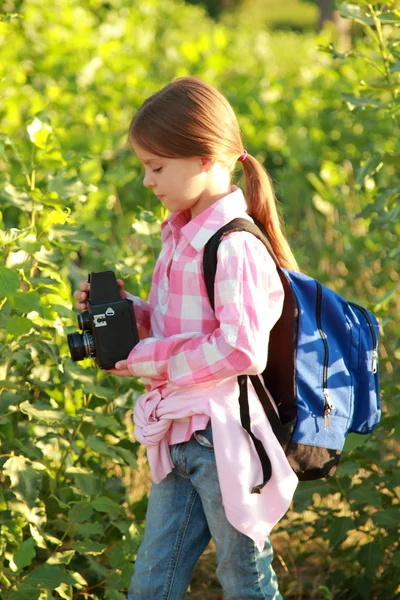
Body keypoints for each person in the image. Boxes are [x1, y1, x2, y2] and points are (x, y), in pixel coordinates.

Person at [74, 77, 299, 600]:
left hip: (222, 439)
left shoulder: (233, 245)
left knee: (244, 580)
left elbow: (242, 348)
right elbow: (186, 326)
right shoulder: (180, 235)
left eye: (156, 167)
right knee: (154, 582)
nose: (149, 182)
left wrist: (155, 361)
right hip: (180, 432)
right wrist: (131, 317)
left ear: (203, 159)